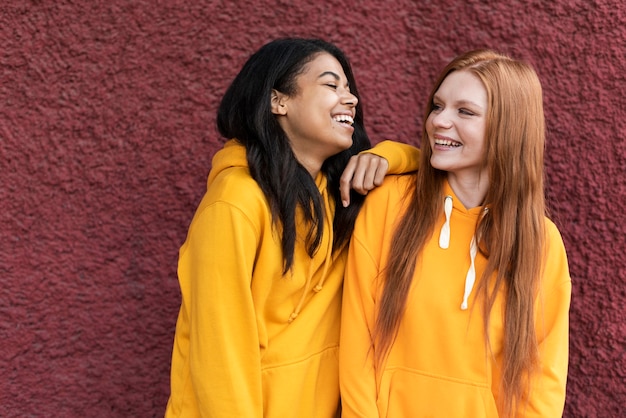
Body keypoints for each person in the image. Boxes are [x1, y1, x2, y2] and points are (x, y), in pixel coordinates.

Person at [164, 38, 420, 418]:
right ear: (278, 101)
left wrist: (388, 154)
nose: (350, 99)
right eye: (332, 85)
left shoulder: (338, 195)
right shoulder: (235, 202)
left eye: (350, 90)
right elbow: (221, 351)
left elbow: (433, 172)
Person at [339, 49, 571, 417]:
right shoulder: (390, 205)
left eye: (464, 111)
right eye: (437, 106)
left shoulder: (540, 243)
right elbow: (356, 344)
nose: (439, 122)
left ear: (508, 127)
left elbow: (541, 383)